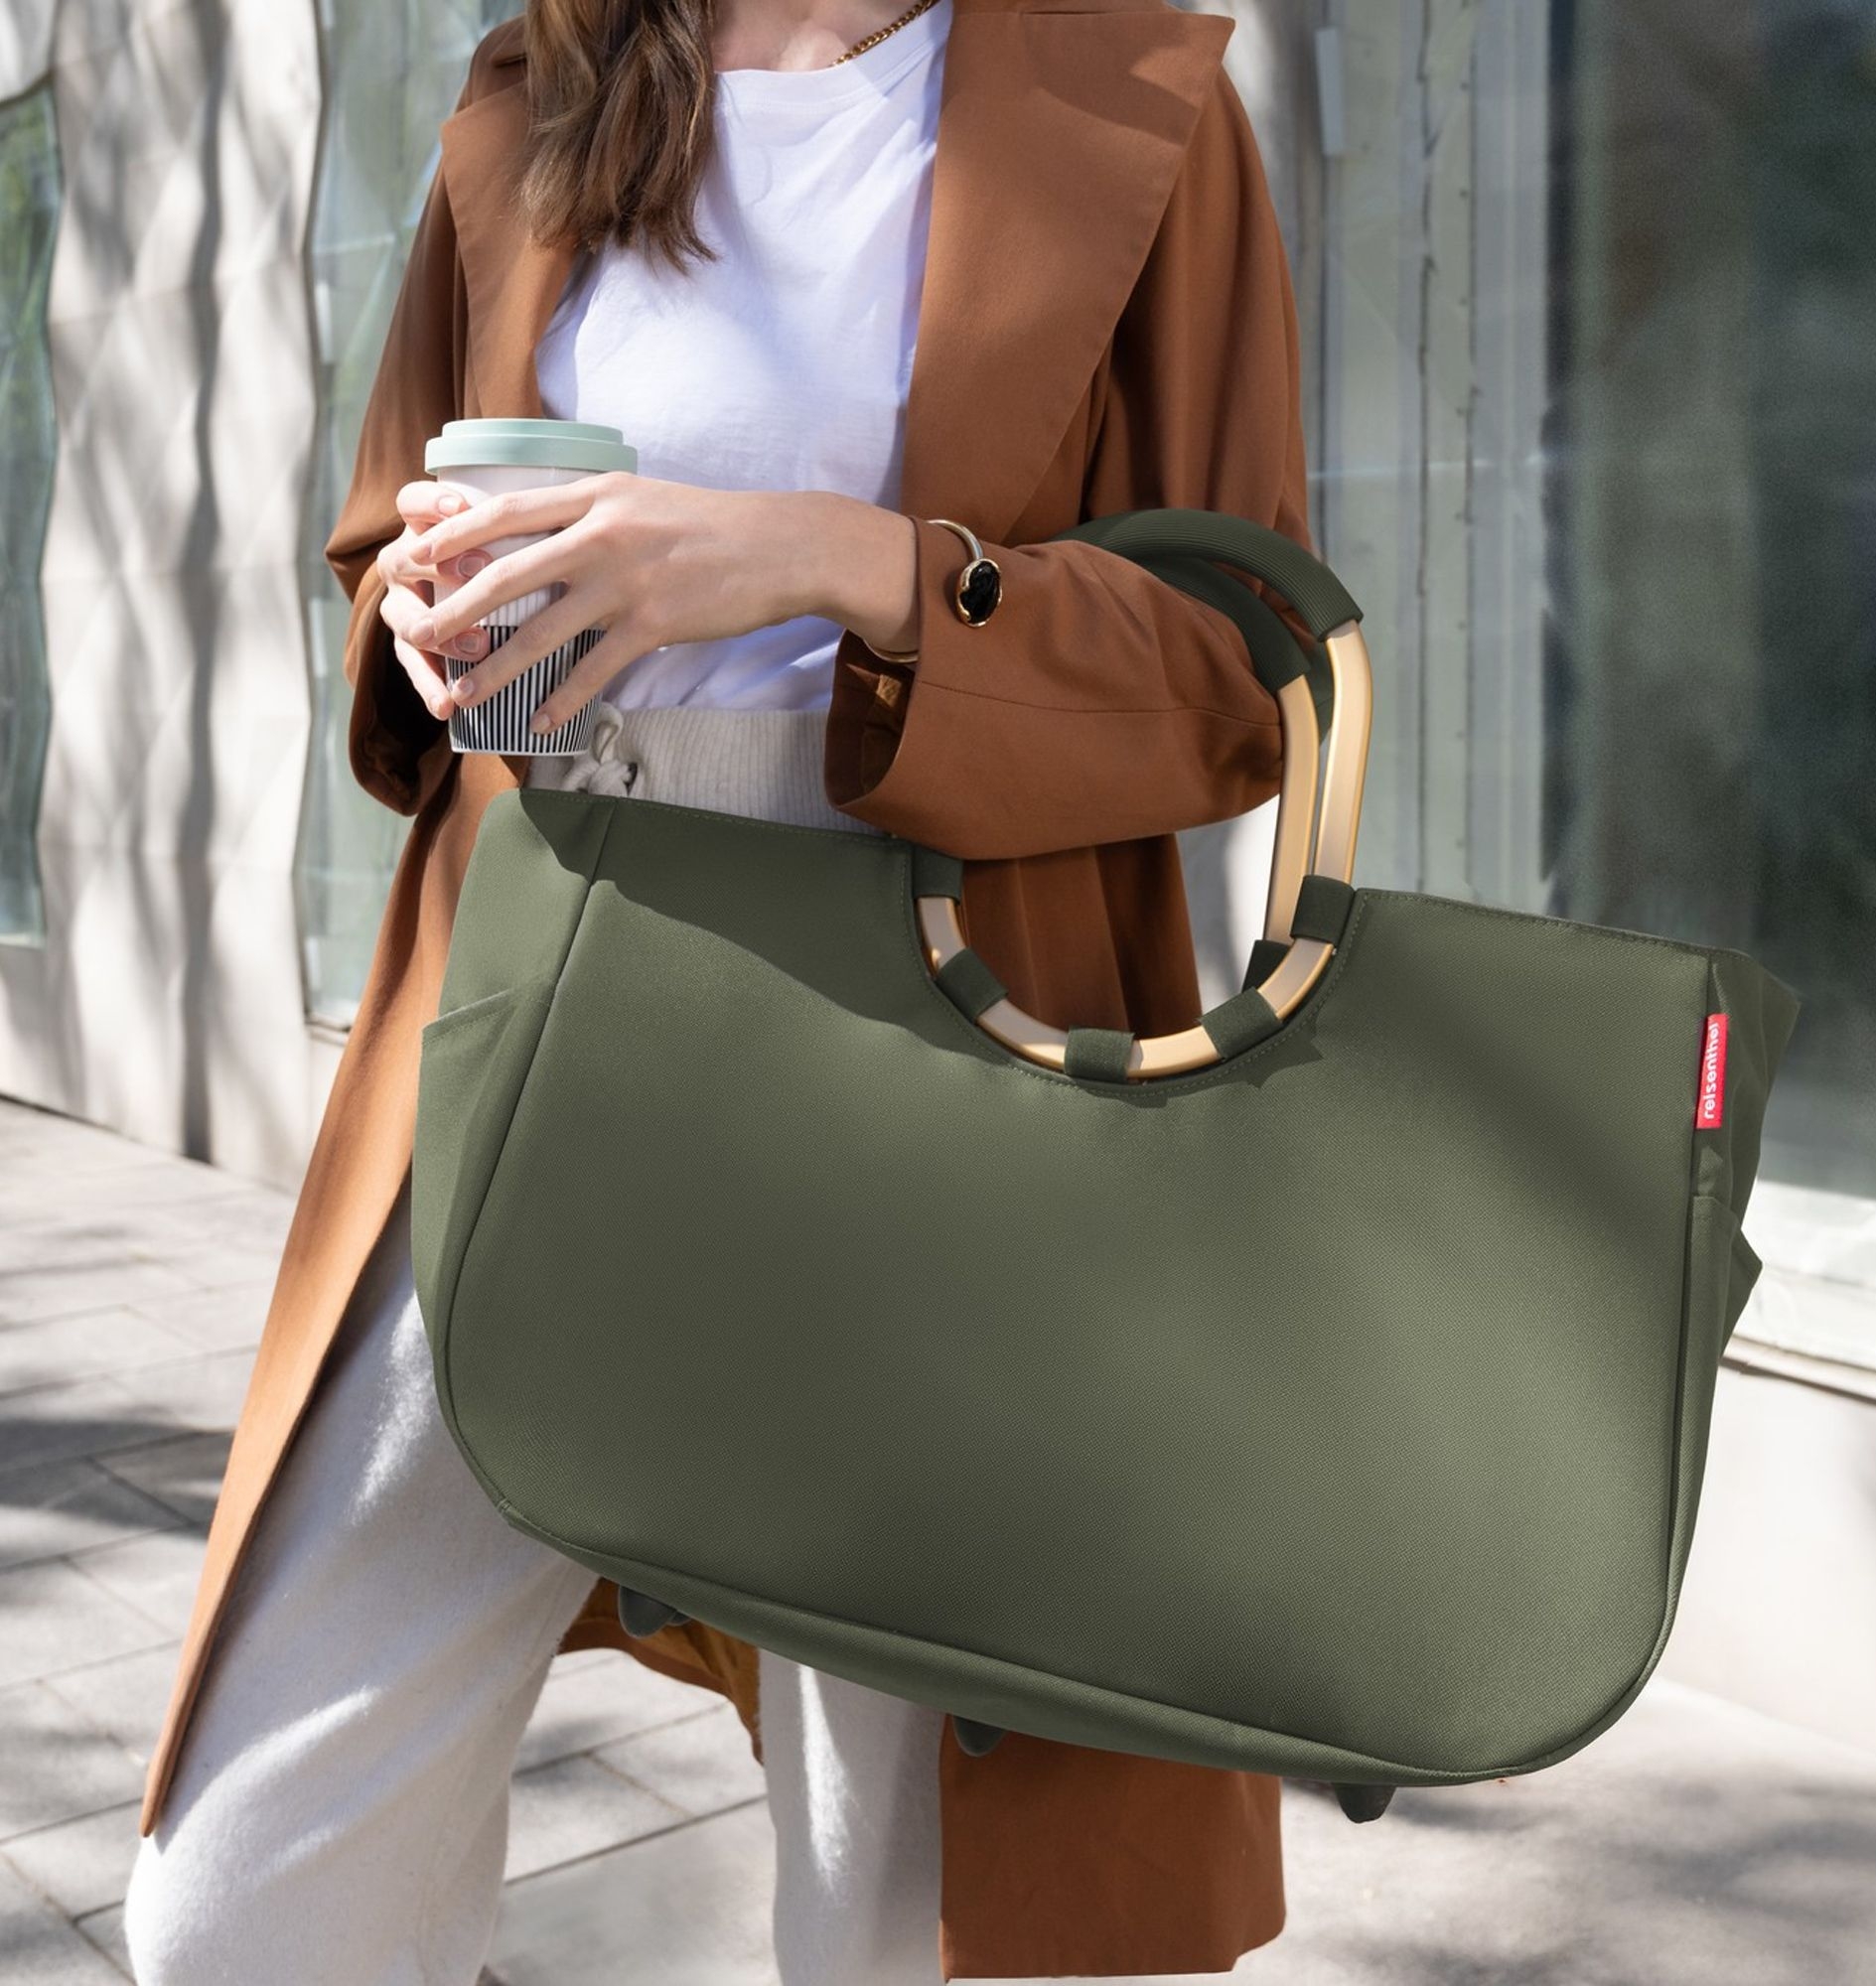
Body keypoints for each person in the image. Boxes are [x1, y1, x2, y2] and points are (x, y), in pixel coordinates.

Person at [126, 1, 1314, 1979]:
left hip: (949, 1032)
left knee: (903, 1904)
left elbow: (1232, 654)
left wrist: (826, 561)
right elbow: (387, 530)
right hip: (547, 985)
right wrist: (416, 612)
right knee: (247, 1892)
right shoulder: (530, 102)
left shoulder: (1138, 99)